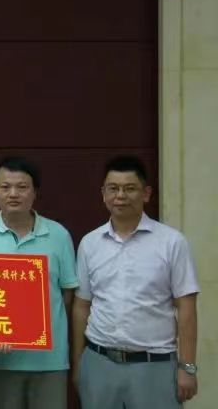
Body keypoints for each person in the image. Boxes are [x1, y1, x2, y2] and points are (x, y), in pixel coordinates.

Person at [71, 155, 199, 408]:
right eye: (113, 188)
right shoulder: (90, 243)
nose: (120, 196)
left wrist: (187, 367)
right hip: (99, 362)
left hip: (155, 365)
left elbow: (186, 307)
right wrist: (79, 363)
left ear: (146, 193)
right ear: (103, 194)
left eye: (130, 188)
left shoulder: (172, 242)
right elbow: (82, 306)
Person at [0, 156, 78, 409]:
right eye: (5, 187)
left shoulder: (59, 235)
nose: (13, 194)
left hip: (49, 359)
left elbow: (67, 295)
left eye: (22, 187)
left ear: (35, 192)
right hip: (0, 359)